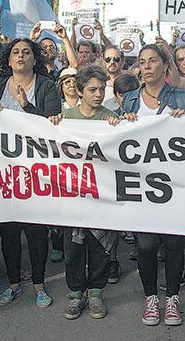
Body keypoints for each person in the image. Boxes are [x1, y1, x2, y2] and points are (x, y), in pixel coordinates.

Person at [119, 45, 185, 326]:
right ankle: (150, 297)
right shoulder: (129, 100)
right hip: (140, 185)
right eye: (142, 62)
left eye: (153, 61)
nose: (146, 66)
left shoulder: (182, 98)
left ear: (165, 66)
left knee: (174, 243)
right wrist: (119, 122)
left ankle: (172, 298)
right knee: (146, 245)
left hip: (174, 184)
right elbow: (115, 136)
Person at [0, 38, 61, 310]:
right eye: (15, 52)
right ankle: (14, 284)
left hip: (36, 172)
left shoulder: (47, 86)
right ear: (8, 60)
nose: (20, 56)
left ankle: (39, 285)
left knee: (36, 230)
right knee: (8, 231)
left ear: (34, 58)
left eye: (26, 52)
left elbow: (52, 125)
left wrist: (26, 105)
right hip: (3, 172)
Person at [49, 66, 121, 321]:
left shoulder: (111, 117)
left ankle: (96, 292)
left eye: (102, 89)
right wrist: (54, 125)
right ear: (79, 91)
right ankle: (75, 293)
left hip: (102, 195)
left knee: (100, 246)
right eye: (92, 90)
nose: (98, 94)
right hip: (74, 195)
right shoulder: (66, 117)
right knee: (74, 247)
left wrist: (119, 126)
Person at [100, 46, 126, 110]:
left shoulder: (130, 82)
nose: (112, 62)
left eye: (116, 59)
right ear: (103, 62)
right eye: (108, 59)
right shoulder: (98, 83)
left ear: (122, 62)